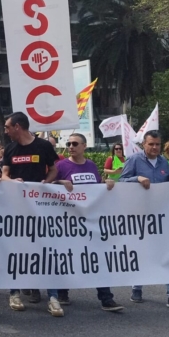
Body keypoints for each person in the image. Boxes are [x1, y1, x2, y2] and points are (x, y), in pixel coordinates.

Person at [121, 130, 169, 310]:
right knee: (142, 252)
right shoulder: (134, 160)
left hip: (161, 215)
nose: (154, 147)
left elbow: (168, 182)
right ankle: (137, 285)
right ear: (143, 144)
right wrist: (136, 178)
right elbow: (121, 181)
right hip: (139, 215)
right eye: (151, 144)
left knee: (167, 252)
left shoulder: (164, 162)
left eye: (157, 144)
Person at [54, 133, 125, 314]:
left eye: (75, 143)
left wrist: (105, 183)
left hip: (90, 221)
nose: (71, 146)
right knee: (66, 258)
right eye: (68, 143)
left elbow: (96, 187)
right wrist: (59, 182)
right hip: (68, 222)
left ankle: (106, 299)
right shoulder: (61, 166)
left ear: (84, 146)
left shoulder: (91, 165)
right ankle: (62, 292)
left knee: (98, 258)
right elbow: (45, 185)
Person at [0, 112, 60, 312]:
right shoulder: (10, 149)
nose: (6, 131)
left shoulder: (43, 146)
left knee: (46, 249)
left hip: (40, 207)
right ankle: (14, 293)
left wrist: (47, 183)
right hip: (16, 207)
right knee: (16, 250)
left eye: (8, 127)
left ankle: (53, 297)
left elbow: (53, 170)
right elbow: (4, 175)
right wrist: (12, 182)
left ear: (18, 126)